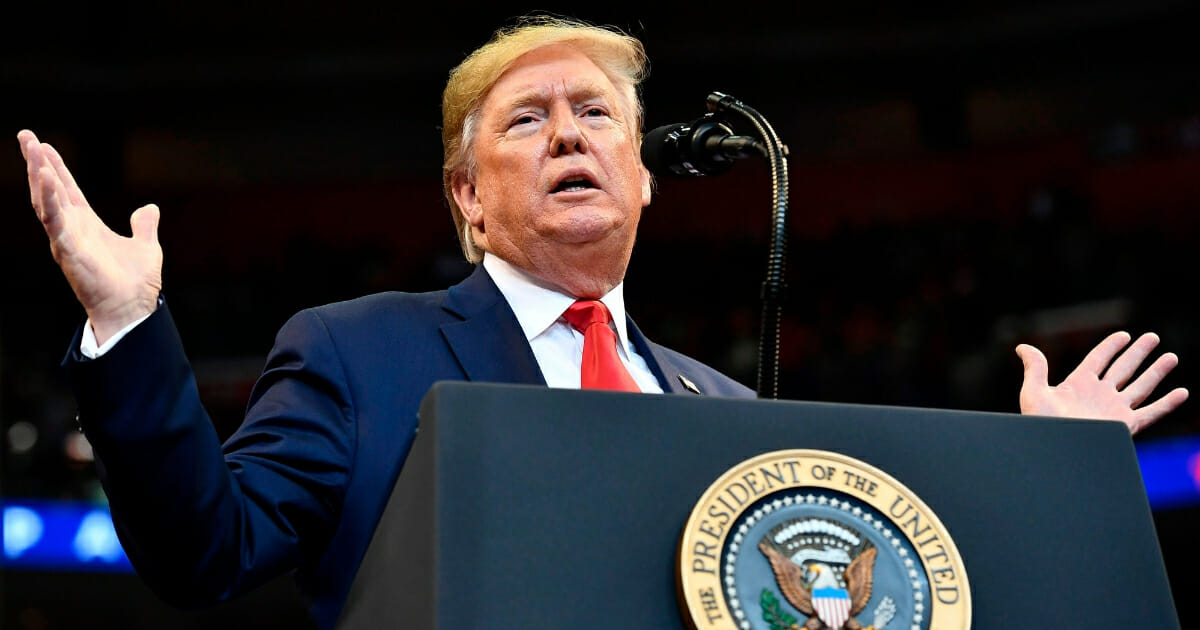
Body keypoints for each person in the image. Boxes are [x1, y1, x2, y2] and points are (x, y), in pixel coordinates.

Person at [16, 15, 1189, 630]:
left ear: (644, 178)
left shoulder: (723, 412)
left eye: (596, 114)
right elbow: (203, 554)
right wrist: (129, 324)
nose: (571, 134)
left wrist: (1046, 473)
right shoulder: (357, 350)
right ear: (467, 200)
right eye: (527, 120)